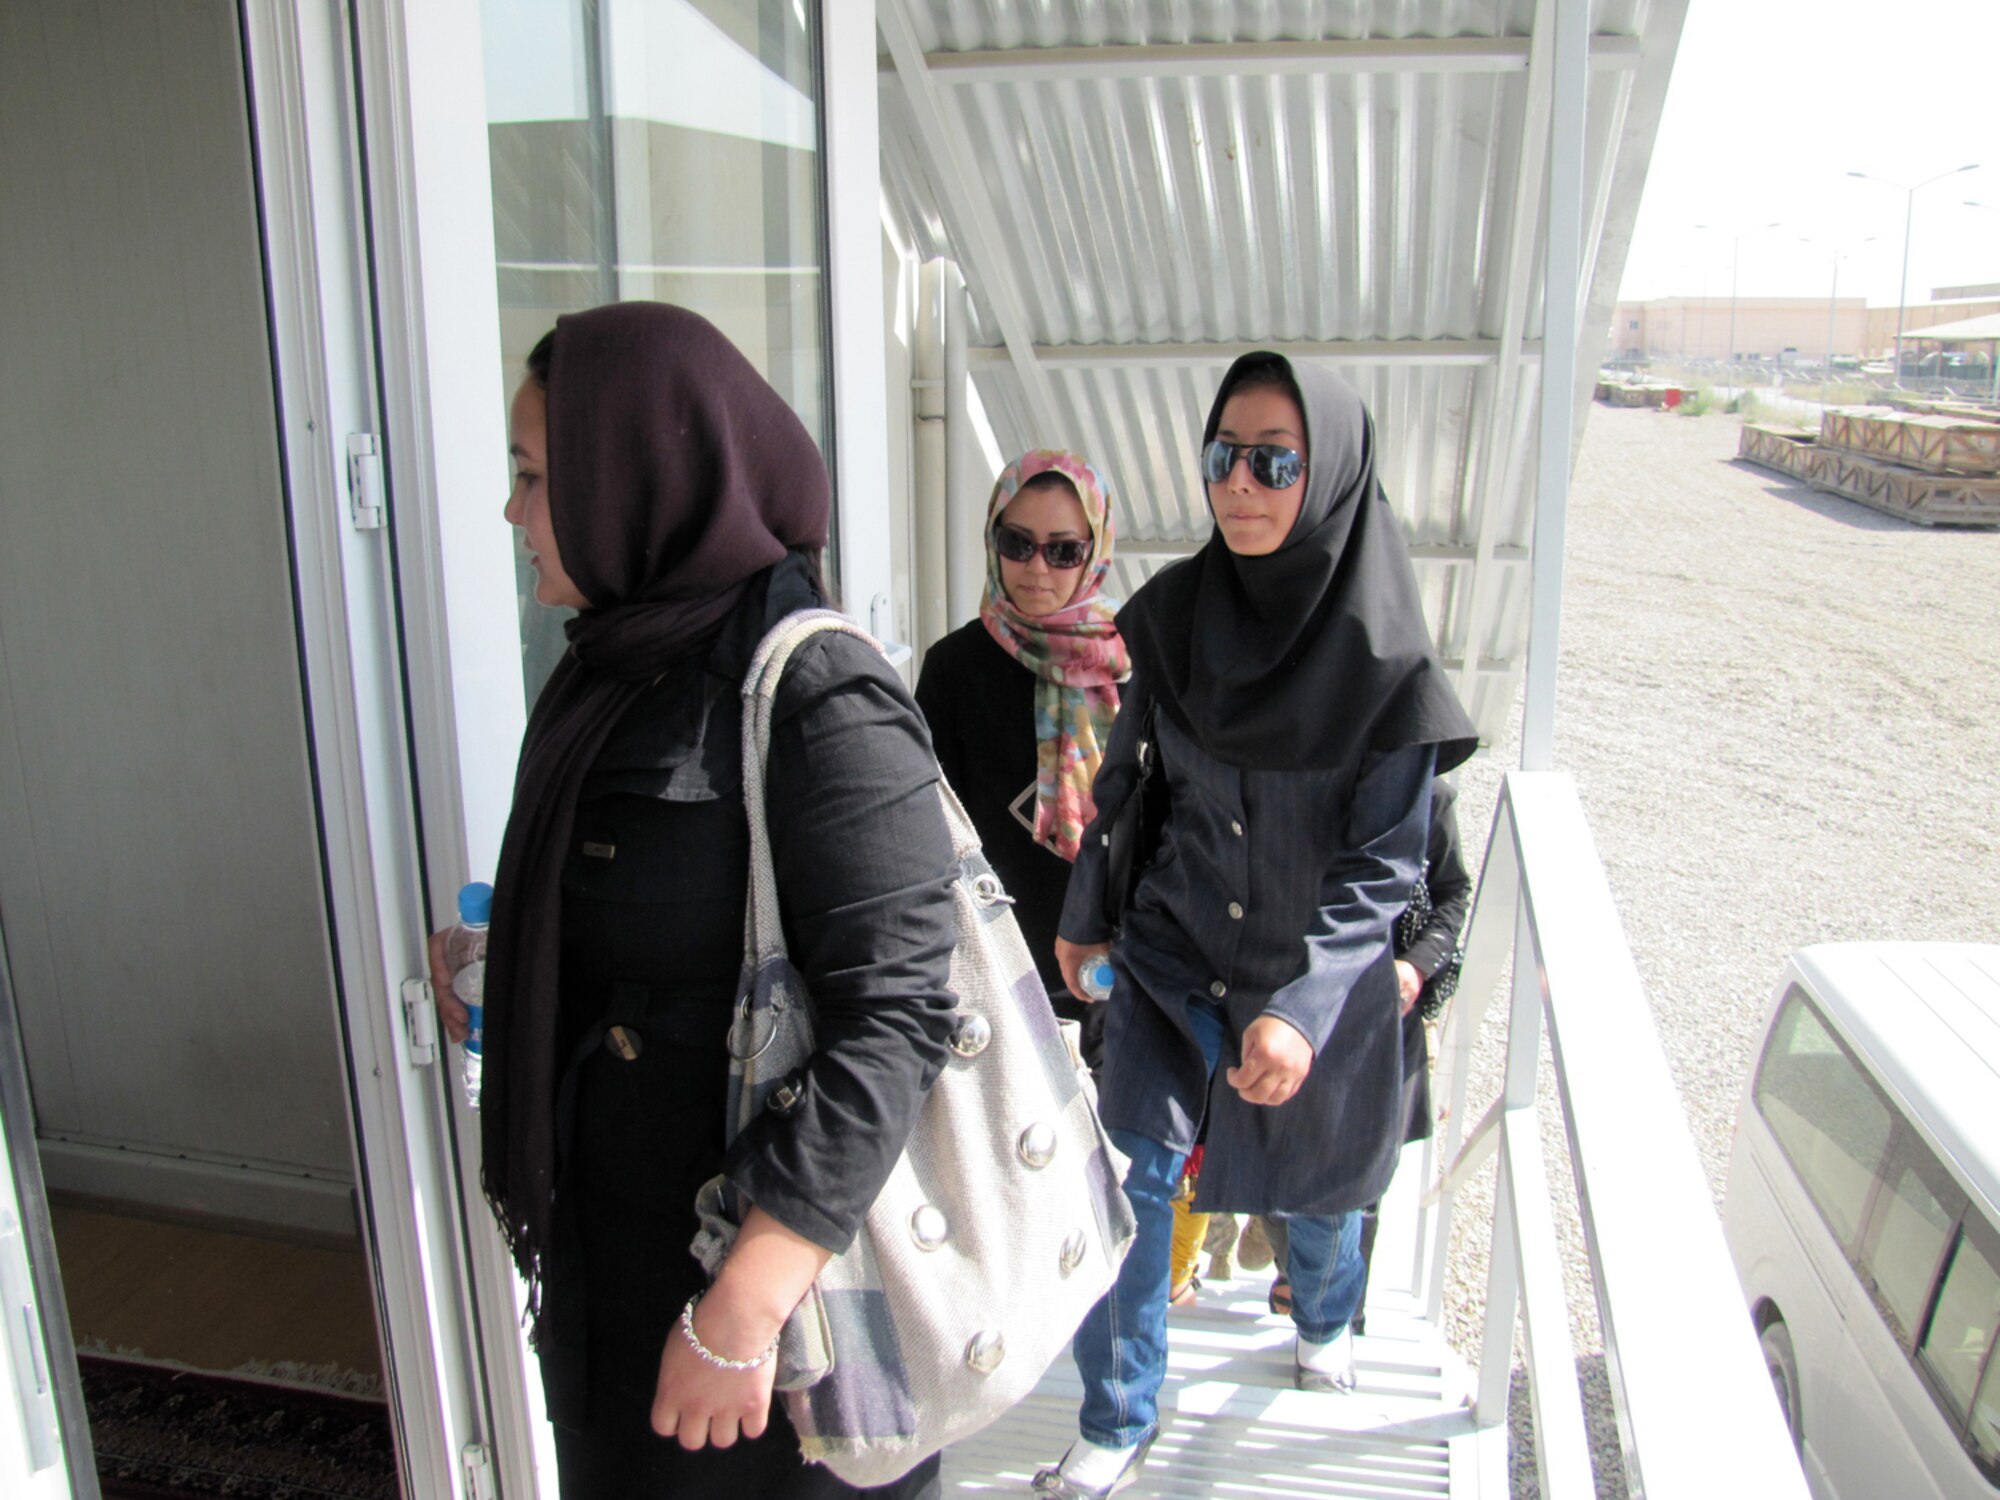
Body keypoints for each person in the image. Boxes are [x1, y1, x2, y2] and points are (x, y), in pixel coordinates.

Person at [429, 302, 958, 1499]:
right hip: (612, 1276)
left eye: (532, 476)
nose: (513, 513)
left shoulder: (817, 690)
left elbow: (897, 1022)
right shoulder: (611, 669)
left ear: (631, 476)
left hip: (775, 1328)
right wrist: (507, 959)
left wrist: (740, 1309)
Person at [1033, 352, 1476, 1498]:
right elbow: (1131, 787)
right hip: (1174, 955)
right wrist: (1084, 921)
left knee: (1309, 1201)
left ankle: (1323, 1324)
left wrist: (1300, 1009)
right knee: (1131, 1172)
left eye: (1273, 461)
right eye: (1222, 455)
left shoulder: (1387, 664)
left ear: (1326, 475)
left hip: (1304, 985)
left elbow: (1386, 865)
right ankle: (1118, 1414)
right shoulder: (1175, 617)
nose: (1239, 483)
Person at [914, 450, 1127, 1069]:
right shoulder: (954, 667)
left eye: (1064, 550)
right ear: (993, 541)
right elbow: (931, 827)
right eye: (1018, 543)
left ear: (1096, 552)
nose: (1038, 567)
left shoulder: (1132, 661)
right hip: (993, 971)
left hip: (1113, 969)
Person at [1257, 777, 1472, 1323]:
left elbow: (1453, 894)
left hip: (1384, 1015)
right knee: (1275, 1166)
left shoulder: (1431, 794)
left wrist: (1417, 965)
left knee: (1363, 1177)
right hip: (1292, 1002)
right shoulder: (1295, 773)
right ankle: (1298, 1271)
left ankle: (1338, 1318)